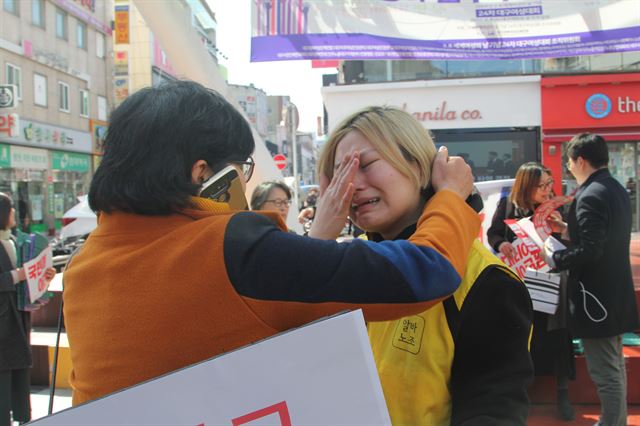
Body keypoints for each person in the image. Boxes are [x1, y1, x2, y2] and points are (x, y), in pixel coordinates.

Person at [62, 81, 480, 406]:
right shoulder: (230, 247)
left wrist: (317, 240)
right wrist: (449, 197)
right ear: (201, 173)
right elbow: (427, 270)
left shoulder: (84, 266)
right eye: (242, 169)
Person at [309, 106, 533, 425]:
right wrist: (318, 239)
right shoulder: (347, 264)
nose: (352, 185)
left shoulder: (484, 280)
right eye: (340, 173)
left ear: (417, 163)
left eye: (366, 164)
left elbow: (494, 410)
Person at [547, 133, 640, 426]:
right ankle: (616, 420)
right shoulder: (613, 189)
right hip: (614, 293)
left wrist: (555, 258)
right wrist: (567, 227)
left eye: (569, 162)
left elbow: (591, 250)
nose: (569, 167)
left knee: (605, 371)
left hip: (595, 299)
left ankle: (612, 422)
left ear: (580, 160)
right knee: (613, 366)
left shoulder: (589, 194)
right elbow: (602, 236)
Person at [487, 162, 576, 421]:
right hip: (520, 283)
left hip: (552, 281)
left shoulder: (556, 209)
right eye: (543, 185)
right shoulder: (508, 206)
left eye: (550, 184)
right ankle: (523, 396)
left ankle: (562, 395)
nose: (549, 190)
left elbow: (572, 240)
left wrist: (561, 231)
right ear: (527, 185)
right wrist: (502, 243)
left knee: (557, 335)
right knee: (524, 335)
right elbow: (493, 233)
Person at [0, 192, 55, 426]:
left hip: (19, 317)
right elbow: (16, 276)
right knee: (3, 378)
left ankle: (24, 419)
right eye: (11, 209)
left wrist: (43, 277)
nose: (15, 214)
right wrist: (18, 275)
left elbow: (28, 279)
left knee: (22, 373)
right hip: (3, 321)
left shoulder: (15, 241)